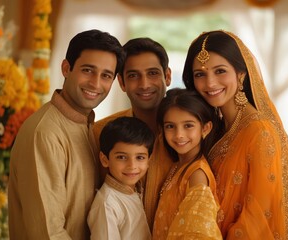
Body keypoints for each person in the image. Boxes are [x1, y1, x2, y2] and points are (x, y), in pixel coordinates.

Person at [182, 30, 288, 239]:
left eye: (220, 71)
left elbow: (258, 215)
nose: (210, 83)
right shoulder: (215, 128)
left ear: (241, 74)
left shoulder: (260, 131)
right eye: (200, 74)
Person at [8, 29, 125, 239]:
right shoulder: (44, 133)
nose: (96, 83)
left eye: (106, 75)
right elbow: (46, 232)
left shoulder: (89, 127)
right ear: (66, 68)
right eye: (88, 70)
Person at [92, 37, 173, 229]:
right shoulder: (100, 132)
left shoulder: (186, 136)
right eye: (133, 75)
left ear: (167, 76)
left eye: (152, 73)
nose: (144, 84)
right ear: (121, 82)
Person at [152, 88, 223, 240]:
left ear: (205, 128)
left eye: (188, 125)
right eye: (170, 126)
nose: (179, 135)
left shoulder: (197, 174)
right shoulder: (177, 165)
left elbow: (197, 234)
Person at [88, 116, 154, 240]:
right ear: (105, 159)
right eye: (122, 157)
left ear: (148, 160)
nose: (132, 166)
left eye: (140, 157)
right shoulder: (107, 204)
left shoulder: (137, 190)